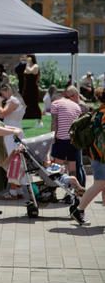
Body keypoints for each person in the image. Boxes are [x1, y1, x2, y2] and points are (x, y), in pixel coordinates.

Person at [71, 87, 105, 225]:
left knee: (103, 184)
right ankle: (78, 210)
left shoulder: (99, 111)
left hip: (95, 154)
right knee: (99, 184)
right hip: (100, 156)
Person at [0, 84, 26, 199]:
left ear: (7, 90)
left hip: (10, 132)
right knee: (17, 160)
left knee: (13, 160)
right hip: (16, 130)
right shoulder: (18, 100)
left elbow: (1, 114)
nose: (2, 96)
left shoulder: (13, 100)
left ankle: (13, 190)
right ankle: (18, 189)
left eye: (2, 93)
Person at [50, 86, 82, 180]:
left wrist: (52, 138)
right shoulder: (77, 106)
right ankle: (73, 190)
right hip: (73, 140)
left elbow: (54, 123)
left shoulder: (55, 104)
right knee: (72, 168)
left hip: (61, 139)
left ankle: (53, 190)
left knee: (56, 167)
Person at [22, 54, 42, 127]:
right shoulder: (28, 66)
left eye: (28, 58)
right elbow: (26, 72)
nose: (26, 59)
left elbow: (30, 71)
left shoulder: (35, 66)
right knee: (25, 103)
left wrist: (28, 63)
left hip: (33, 88)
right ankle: (25, 117)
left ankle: (39, 121)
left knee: (35, 104)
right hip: (27, 88)